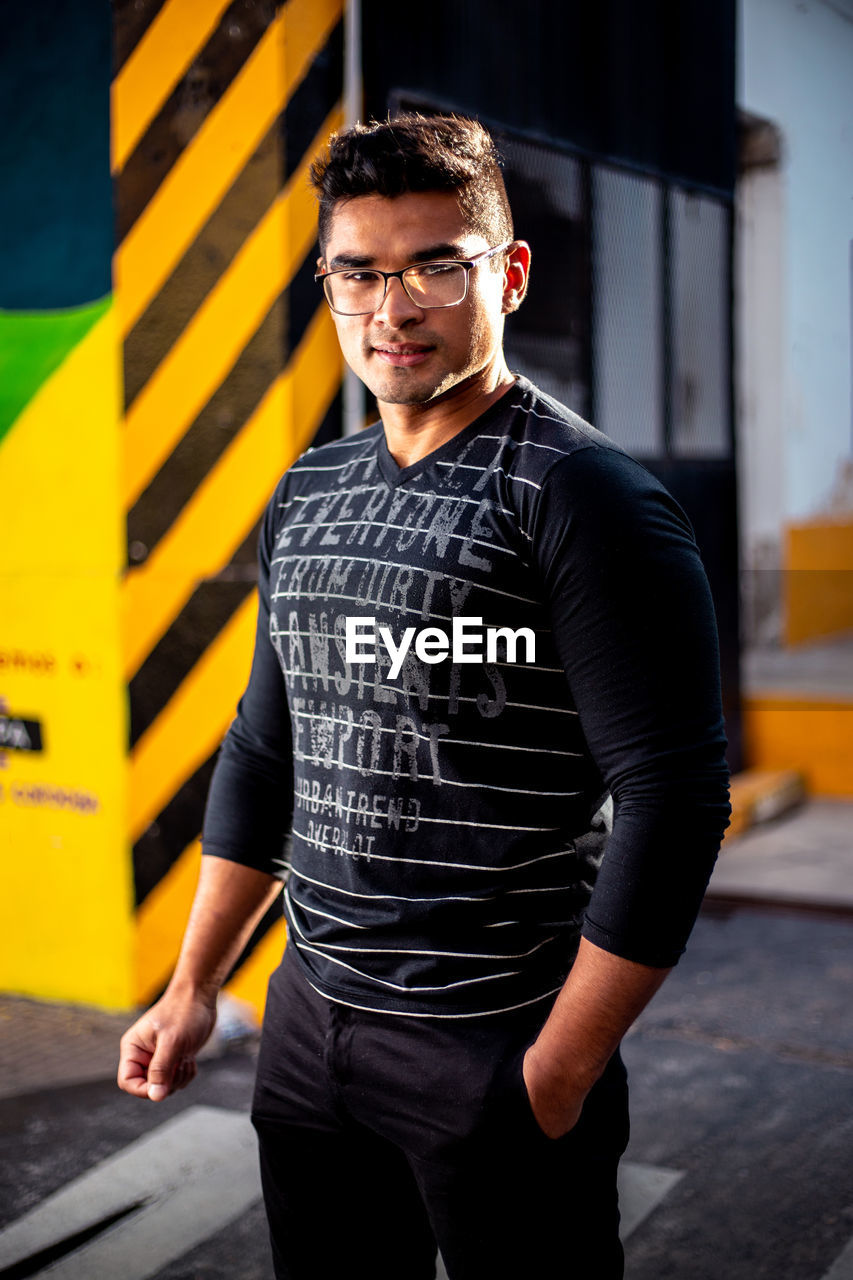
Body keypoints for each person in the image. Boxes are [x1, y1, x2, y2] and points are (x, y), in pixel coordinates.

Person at [118, 113, 730, 1279]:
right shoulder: (311, 486)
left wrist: (557, 1068)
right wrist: (194, 984)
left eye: (435, 266)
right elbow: (265, 746)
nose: (392, 309)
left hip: (494, 1035)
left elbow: (674, 798)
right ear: (329, 284)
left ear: (507, 272)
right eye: (359, 273)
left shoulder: (583, 497)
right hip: (307, 1023)